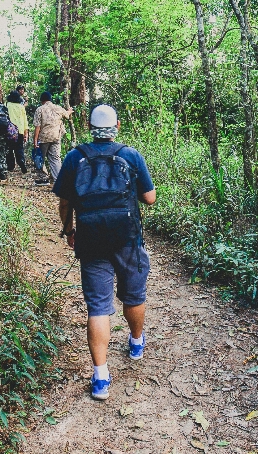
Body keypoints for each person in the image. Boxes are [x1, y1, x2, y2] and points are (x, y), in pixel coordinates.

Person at [53, 104, 156, 401]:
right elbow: (149, 198)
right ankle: (136, 342)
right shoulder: (130, 155)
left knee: (98, 307)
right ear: (117, 126)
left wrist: (69, 231)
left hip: (91, 238)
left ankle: (100, 377)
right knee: (134, 295)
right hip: (128, 238)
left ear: (89, 126)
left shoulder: (74, 157)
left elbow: (64, 202)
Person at [33, 91, 73, 186]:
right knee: (55, 159)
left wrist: (35, 140)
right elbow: (66, 115)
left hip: (44, 137)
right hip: (56, 137)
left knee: (40, 158)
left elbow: (37, 126)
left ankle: (43, 179)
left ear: (42, 100)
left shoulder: (40, 109)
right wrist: (70, 110)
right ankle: (58, 180)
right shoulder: (58, 108)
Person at [6, 90, 28, 174]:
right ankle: (21, 161)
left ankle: (11, 166)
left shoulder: (7, 105)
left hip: (9, 131)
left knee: (9, 149)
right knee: (19, 148)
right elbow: (25, 121)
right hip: (20, 131)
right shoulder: (21, 107)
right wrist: (26, 133)